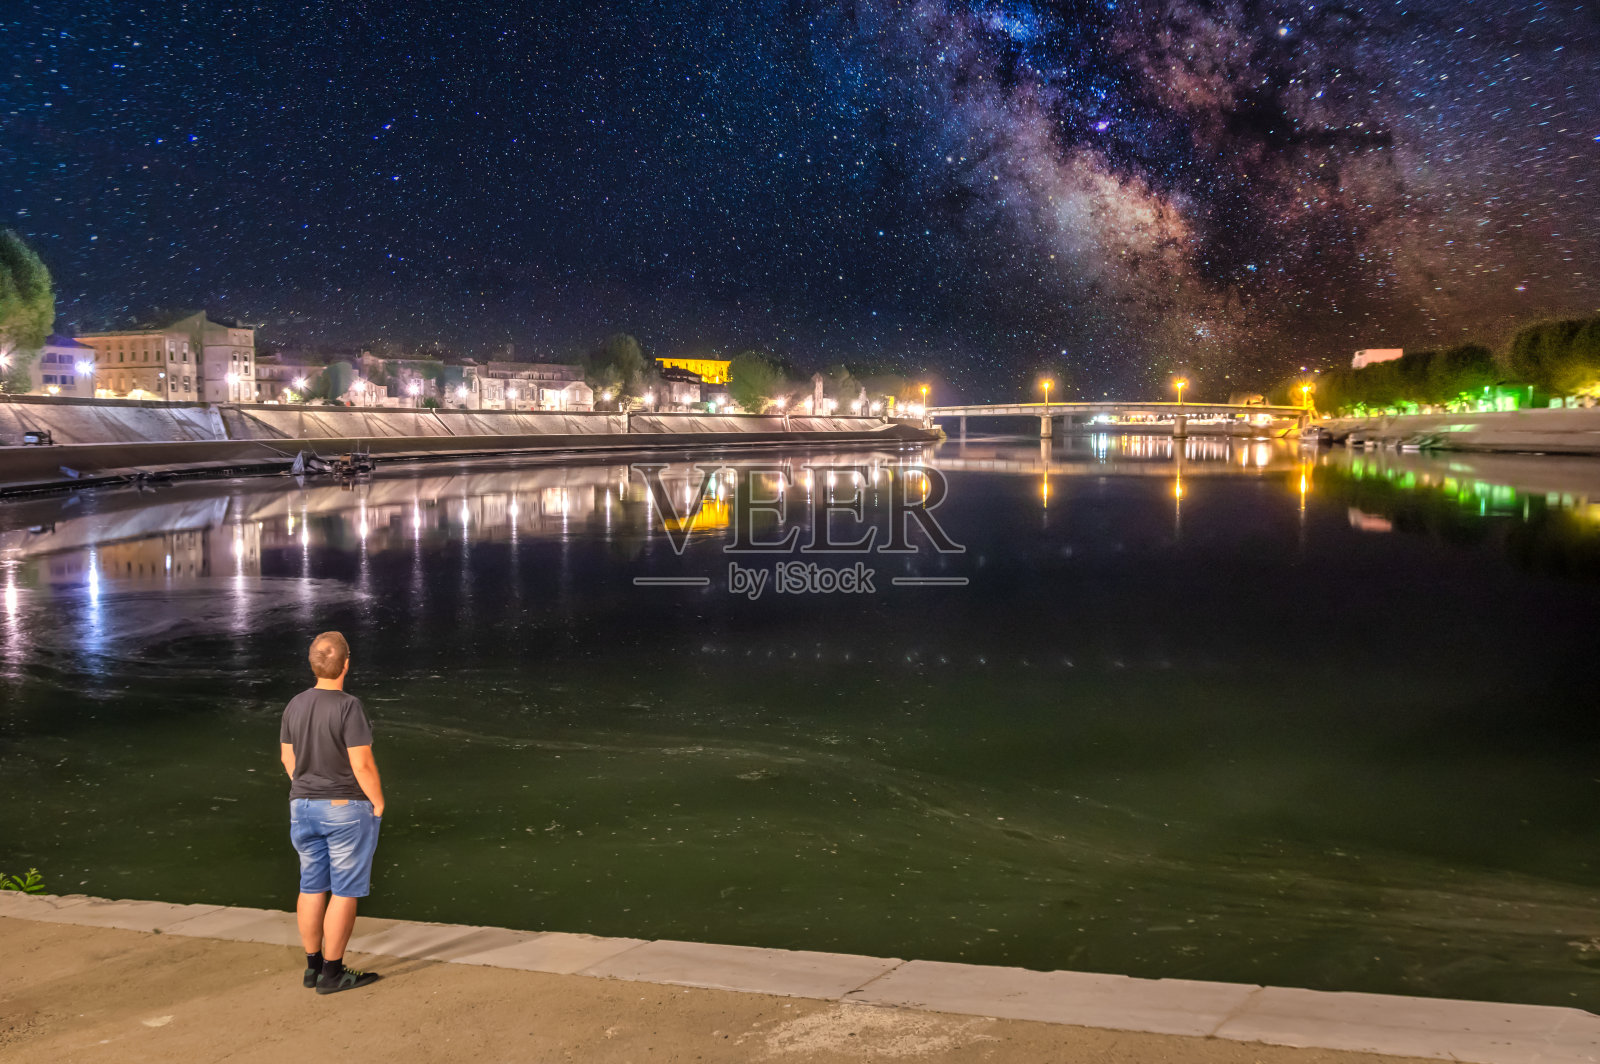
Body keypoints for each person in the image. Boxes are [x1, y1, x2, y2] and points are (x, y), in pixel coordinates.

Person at [279, 631, 385, 994]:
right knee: (344, 891)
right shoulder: (348, 706)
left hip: (302, 806)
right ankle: (333, 973)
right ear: (346, 663)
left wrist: (309, 786)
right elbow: (362, 764)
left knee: (310, 886)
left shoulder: (295, 704)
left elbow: (288, 758)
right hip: (344, 809)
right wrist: (378, 802)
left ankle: (312, 967)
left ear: (312, 664)